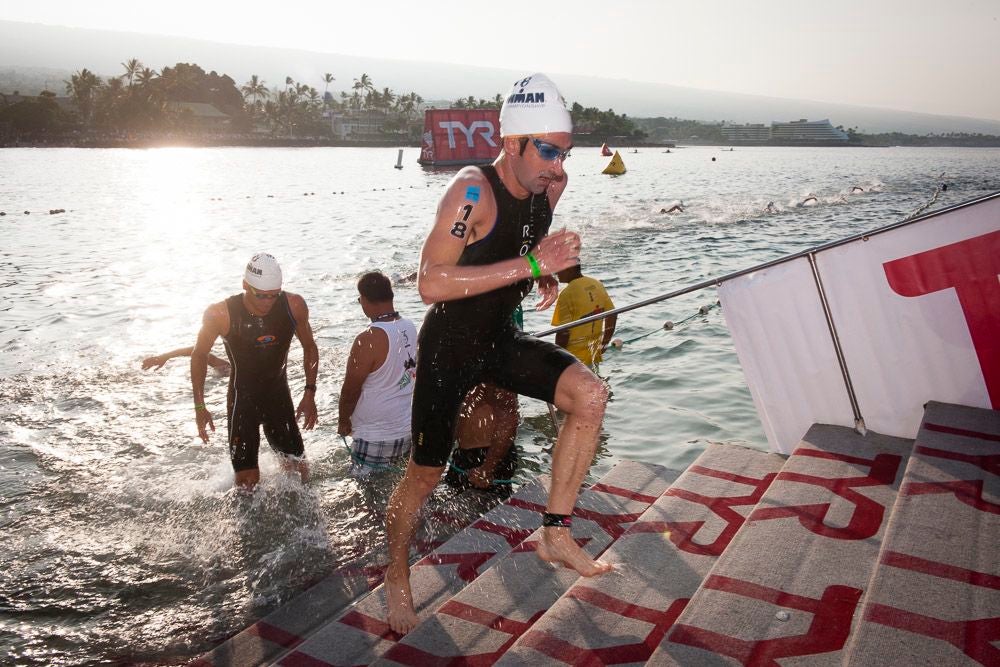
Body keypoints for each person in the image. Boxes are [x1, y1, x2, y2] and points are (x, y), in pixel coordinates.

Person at [383, 72, 612, 634]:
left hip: (500, 339)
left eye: (566, 153)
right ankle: (395, 574)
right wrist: (534, 266)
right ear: (512, 144)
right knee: (424, 474)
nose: (559, 168)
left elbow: (523, 243)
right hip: (449, 348)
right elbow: (431, 283)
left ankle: (555, 533)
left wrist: (545, 271)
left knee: (589, 395)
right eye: (550, 152)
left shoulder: (548, 188)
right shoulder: (470, 190)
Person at [190, 252, 318, 489]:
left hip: (278, 397)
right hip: (243, 401)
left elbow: (310, 347)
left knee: (300, 474)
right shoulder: (220, 314)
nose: (268, 302)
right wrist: (200, 405)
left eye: (273, 295)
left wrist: (310, 393)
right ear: (245, 285)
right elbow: (199, 355)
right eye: (261, 296)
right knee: (247, 484)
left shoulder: (294, 305)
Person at [337, 271, 417, 476]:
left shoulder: (369, 338)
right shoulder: (409, 326)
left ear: (364, 300)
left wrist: (343, 421)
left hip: (375, 436)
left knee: (367, 499)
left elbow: (350, 390)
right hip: (406, 428)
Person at [551, 265, 617, 368]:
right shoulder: (597, 284)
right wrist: (604, 343)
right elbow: (612, 314)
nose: (556, 273)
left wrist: (558, 358)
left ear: (569, 269)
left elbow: (563, 332)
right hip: (593, 354)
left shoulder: (566, 294)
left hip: (573, 359)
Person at [143, 346, 230, 374]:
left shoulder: (232, 370)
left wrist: (166, 356)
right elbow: (199, 352)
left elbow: (200, 353)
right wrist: (165, 356)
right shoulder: (231, 370)